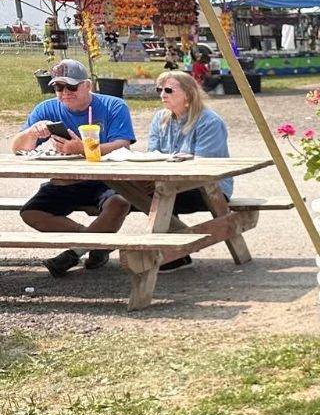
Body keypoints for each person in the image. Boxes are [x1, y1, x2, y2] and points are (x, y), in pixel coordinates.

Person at [8, 59, 134, 278]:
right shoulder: (46, 109)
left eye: (71, 86)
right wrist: (31, 133)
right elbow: (17, 149)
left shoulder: (114, 106)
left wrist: (83, 149)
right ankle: (97, 243)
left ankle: (74, 252)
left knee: (120, 203)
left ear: (87, 85)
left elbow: (122, 144)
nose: (64, 92)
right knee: (31, 213)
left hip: (106, 179)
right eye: (58, 87)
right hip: (65, 180)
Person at [143, 70, 233, 272]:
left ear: (189, 94)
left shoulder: (209, 121)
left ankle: (172, 253)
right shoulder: (160, 118)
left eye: (169, 90)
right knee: (126, 195)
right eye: (160, 90)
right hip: (170, 184)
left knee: (153, 195)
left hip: (210, 188)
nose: (162, 95)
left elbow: (204, 167)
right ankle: (172, 253)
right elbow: (152, 155)